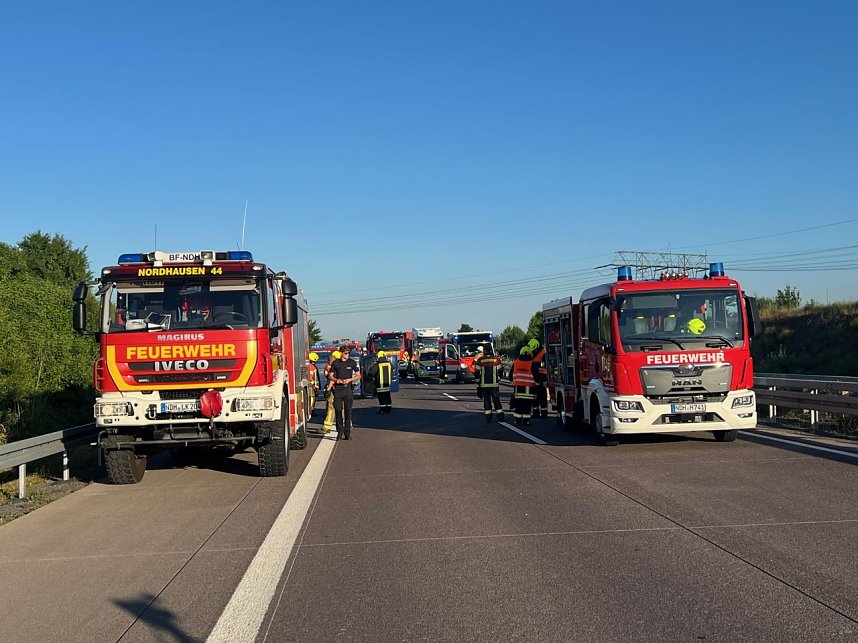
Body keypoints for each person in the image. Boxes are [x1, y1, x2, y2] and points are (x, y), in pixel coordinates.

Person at [329, 346, 361, 440]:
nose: (347, 355)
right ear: (341, 353)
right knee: (338, 410)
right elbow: (330, 376)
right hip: (338, 389)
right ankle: (339, 432)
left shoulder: (352, 362)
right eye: (345, 353)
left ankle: (347, 433)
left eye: (348, 353)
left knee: (348, 411)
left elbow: (358, 375)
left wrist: (350, 379)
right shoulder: (336, 363)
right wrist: (336, 380)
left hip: (348, 389)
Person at [474, 348, 505, 423]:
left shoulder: (480, 360)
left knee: (487, 402)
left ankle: (488, 418)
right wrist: (499, 378)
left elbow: (477, 372)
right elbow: (501, 371)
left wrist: (478, 381)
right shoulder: (496, 359)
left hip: (484, 385)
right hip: (494, 385)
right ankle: (500, 417)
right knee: (497, 401)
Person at [510, 346, 539, 425]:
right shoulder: (532, 363)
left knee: (518, 406)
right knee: (527, 407)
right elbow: (536, 375)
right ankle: (526, 421)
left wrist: (514, 382)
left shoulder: (516, 362)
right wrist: (538, 384)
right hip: (529, 391)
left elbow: (510, 376)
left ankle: (517, 421)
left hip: (518, 391)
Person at [528, 339, 549, 418]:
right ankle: (536, 413)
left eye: (533, 350)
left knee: (542, 397)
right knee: (535, 397)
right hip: (535, 379)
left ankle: (544, 413)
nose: (532, 352)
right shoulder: (535, 354)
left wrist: (545, 379)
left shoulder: (543, 353)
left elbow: (546, 367)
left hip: (542, 378)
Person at [321, 351, 339, 434]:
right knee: (341, 407)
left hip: (334, 389)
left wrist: (328, 389)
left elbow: (331, 379)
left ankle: (327, 427)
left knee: (331, 407)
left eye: (330, 358)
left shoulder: (333, 367)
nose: (329, 360)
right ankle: (346, 425)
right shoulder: (344, 366)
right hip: (342, 390)